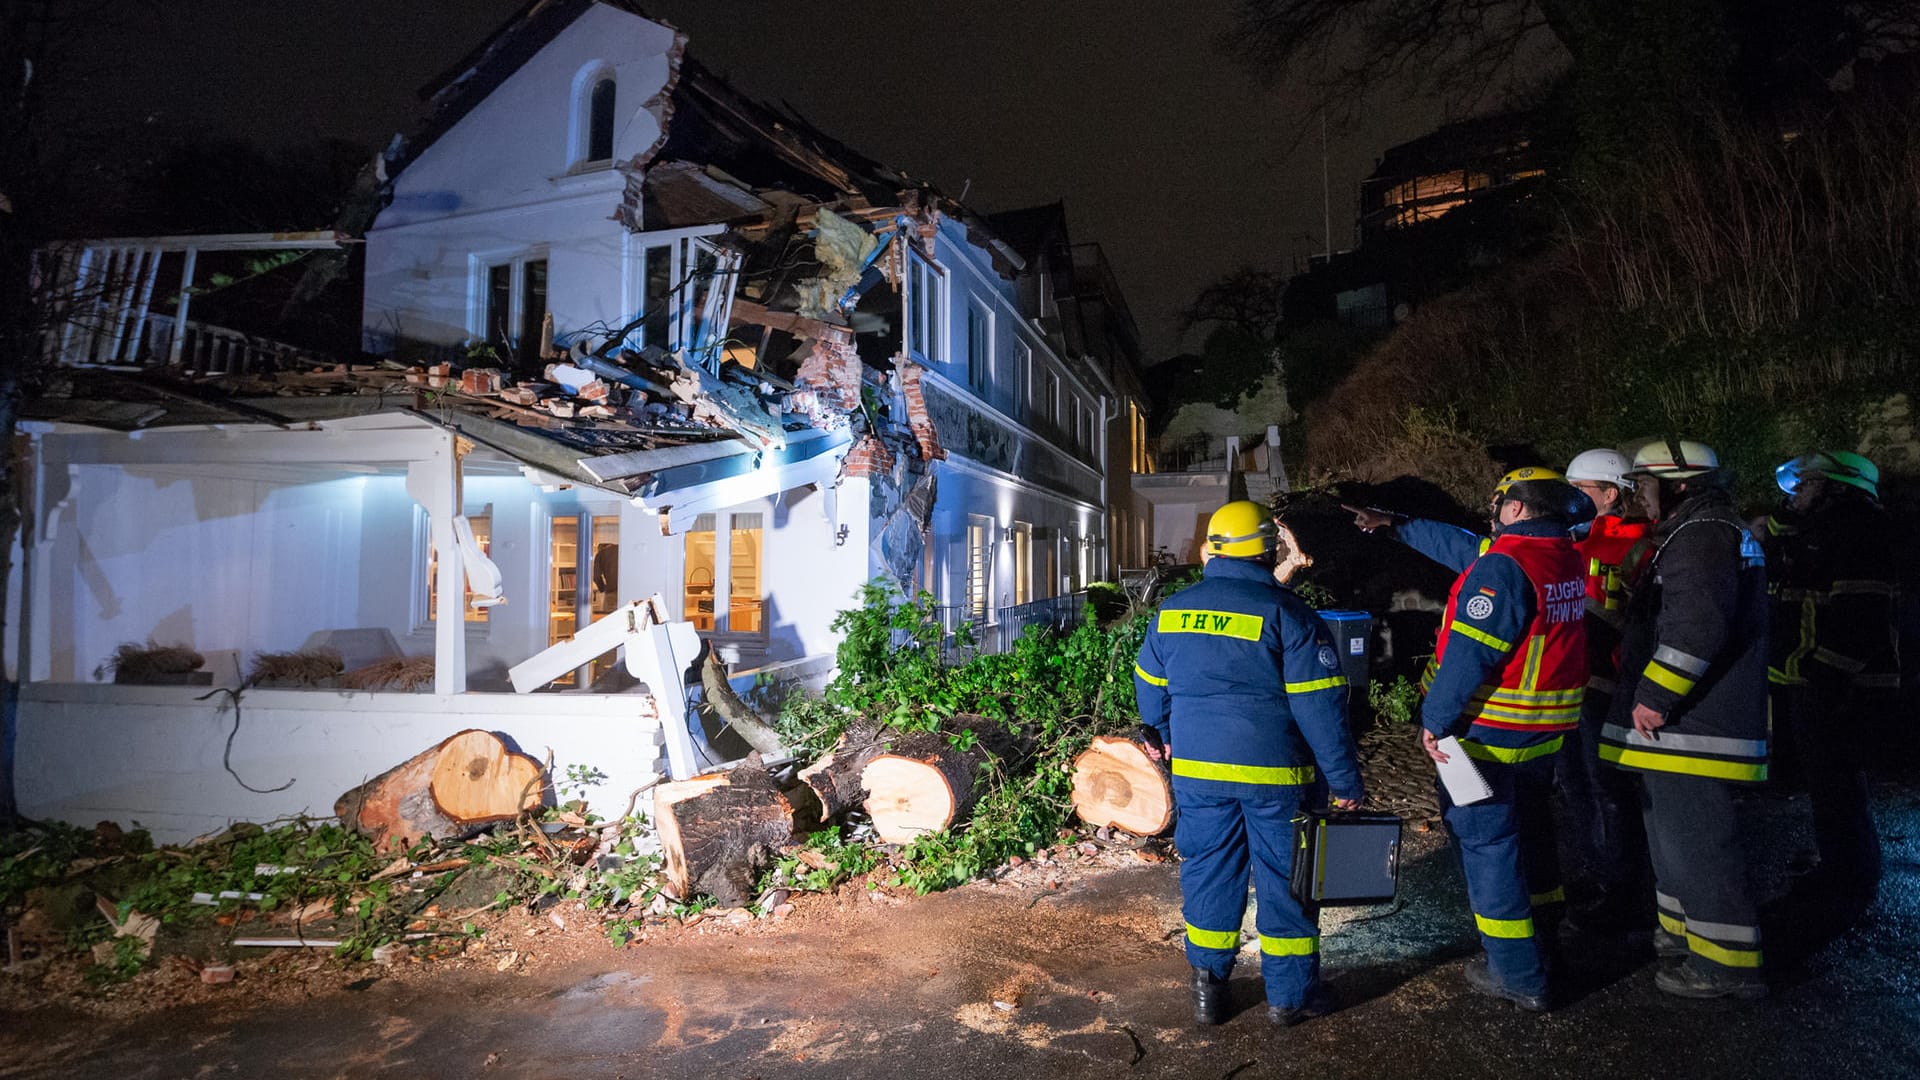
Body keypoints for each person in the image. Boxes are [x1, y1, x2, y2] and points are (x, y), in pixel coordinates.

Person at [1353, 474, 1592, 1012]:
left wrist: (1434, 719)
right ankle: (1546, 938)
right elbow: (1463, 546)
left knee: (1487, 845)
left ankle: (1516, 972)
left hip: (1484, 735)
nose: (1492, 514)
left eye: (1499, 505)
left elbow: (1469, 655)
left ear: (1518, 510)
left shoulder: (1503, 569)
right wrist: (1397, 526)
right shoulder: (1559, 555)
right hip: (1543, 731)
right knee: (1530, 828)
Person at [1134, 500, 1365, 1028]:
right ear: (1269, 549)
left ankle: (1208, 992)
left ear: (1210, 549)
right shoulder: (1290, 615)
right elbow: (1321, 708)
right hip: (1277, 780)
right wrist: (1344, 779)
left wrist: (1165, 737)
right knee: (1287, 883)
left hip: (1198, 776)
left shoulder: (1173, 611)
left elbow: (1151, 686)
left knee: (1209, 873)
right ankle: (1290, 998)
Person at [1597, 440, 1770, 1000]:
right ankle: (1682, 937)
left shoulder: (1701, 537)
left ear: (1680, 485)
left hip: (1695, 726)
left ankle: (1727, 968)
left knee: (1698, 847)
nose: (1638, 497)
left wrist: (1654, 697)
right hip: (1685, 729)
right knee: (1672, 842)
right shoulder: (1696, 532)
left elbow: (1695, 630)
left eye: (1646, 485)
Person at [1763, 451, 1900, 913]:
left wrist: (1823, 675)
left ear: (1836, 486)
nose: (1796, 494)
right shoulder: (1820, 531)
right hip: (1814, 679)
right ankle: (1843, 868)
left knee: (1838, 786)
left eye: (1806, 485)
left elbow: (1860, 615)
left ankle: (1849, 880)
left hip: (1839, 684)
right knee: (1829, 787)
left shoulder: (1857, 527)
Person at [1558, 449, 1655, 930]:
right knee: (1575, 784)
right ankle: (1598, 874)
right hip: (1569, 684)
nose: (1571, 500)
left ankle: (1625, 888)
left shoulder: (1642, 546)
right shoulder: (1579, 540)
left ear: (1610, 494)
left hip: (1608, 686)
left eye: (1581, 492)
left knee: (1609, 790)